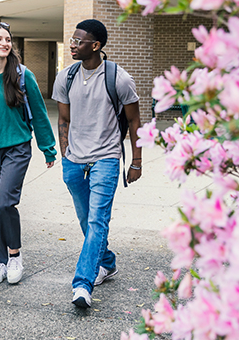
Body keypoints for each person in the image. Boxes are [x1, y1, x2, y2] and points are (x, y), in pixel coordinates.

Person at [51, 19, 142, 308]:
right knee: (85, 219)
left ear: (96, 45)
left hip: (106, 157)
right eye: (72, 39)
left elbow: (134, 120)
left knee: (96, 219)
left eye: (79, 41)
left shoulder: (119, 78)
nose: (73, 45)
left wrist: (137, 161)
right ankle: (107, 262)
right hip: (74, 160)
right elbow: (63, 119)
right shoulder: (65, 77)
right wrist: (66, 154)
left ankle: (82, 284)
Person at [0, 21, 57, 284]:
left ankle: (14, 255)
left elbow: (39, 113)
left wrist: (48, 148)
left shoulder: (22, 75)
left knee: (4, 202)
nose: (4, 43)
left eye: (7, 39)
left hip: (17, 146)